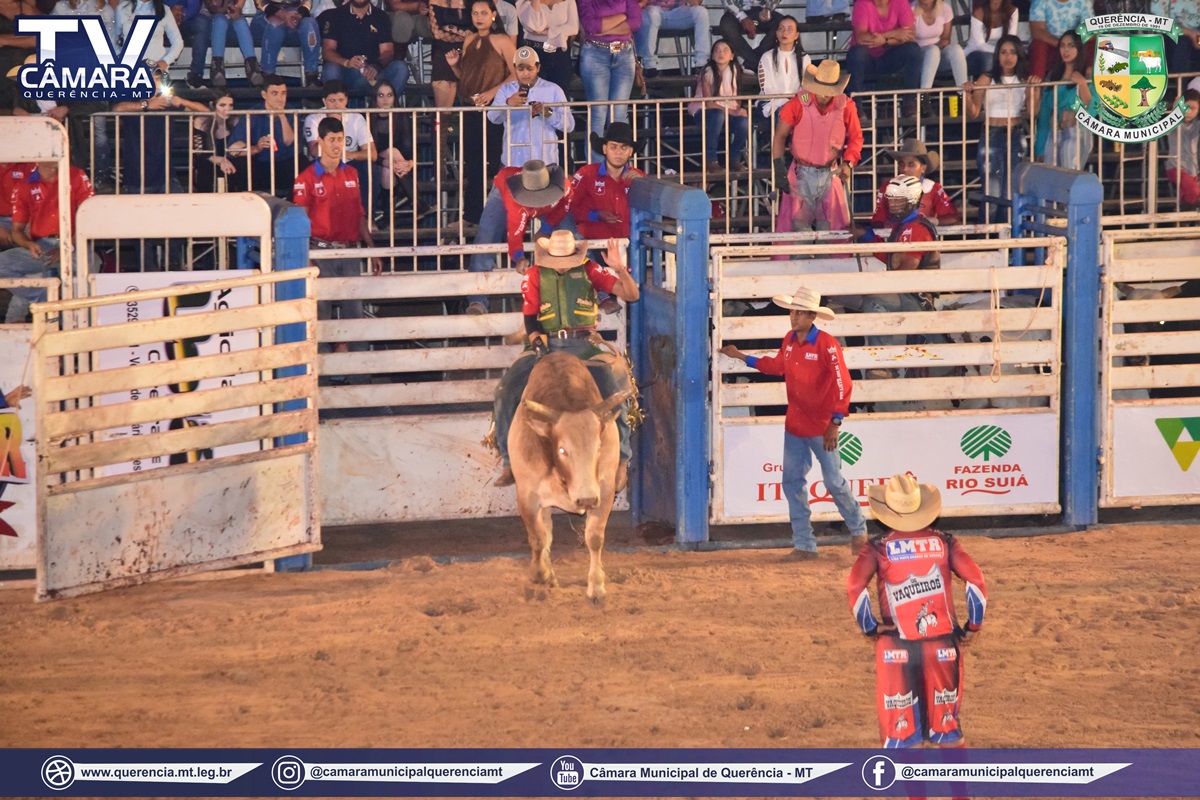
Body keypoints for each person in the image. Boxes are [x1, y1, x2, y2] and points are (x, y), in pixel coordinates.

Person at [720, 286, 869, 559]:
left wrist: (835, 421)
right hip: (798, 425)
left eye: (800, 312)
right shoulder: (790, 340)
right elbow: (777, 366)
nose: (794, 316)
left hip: (821, 426)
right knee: (794, 482)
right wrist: (741, 356)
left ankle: (857, 531)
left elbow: (843, 384)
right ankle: (805, 544)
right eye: (792, 311)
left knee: (832, 482)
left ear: (812, 316)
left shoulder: (827, 345)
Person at [490, 229, 640, 489]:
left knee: (616, 391)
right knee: (505, 391)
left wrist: (619, 269)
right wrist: (536, 340)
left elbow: (632, 295)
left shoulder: (590, 269)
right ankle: (509, 461)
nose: (561, 265)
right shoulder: (535, 274)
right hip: (546, 343)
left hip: (584, 344)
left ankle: (622, 459)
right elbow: (530, 315)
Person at [847, 473, 987, 749]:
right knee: (948, 728)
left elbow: (855, 586)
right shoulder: (945, 542)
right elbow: (976, 581)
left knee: (903, 734)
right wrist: (973, 626)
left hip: (895, 646)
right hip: (942, 645)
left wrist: (871, 627)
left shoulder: (877, 547)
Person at [292, 117, 383, 356]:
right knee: (321, 310)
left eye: (340, 139)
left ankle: (358, 368)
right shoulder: (306, 178)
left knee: (354, 309)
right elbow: (301, 222)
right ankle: (321, 369)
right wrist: (306, 256)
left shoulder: (351, 173)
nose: (336, 145)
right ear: (320, 141)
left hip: (349, 249)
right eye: (331, 139)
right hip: (320, 251)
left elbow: (359, 214)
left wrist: (371, 249)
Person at [853, 175, 943, 379]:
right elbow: (893, 259)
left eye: (898, 200)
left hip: (917, 299)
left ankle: (883, 364)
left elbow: (904, 273)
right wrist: (868, 237)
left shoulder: (916, 229)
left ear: (911, 200)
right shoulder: (905, 226)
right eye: (891, 200)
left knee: (874, 301)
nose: (893, 204)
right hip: (907, 295)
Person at [465, 158, 574, 314]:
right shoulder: (514, 199)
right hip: (504, 191)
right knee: (487, 236)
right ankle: (477, 299)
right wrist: (519, 257)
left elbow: (566, 203)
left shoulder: (564, 186)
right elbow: (515, 231)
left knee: (573, 236)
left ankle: (580, 292)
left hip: (542, 202)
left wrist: (547, 228)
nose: (538, 202)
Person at [445, 0, 516, 224]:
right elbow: (465, 78)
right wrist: (455, 65)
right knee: (473, 163)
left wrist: (493, 92)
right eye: (475, 13)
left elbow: (517, 73)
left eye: (484, 13)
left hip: (494, 108)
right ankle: (472, 214)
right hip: (471, 106)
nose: (479, 17)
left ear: (493, 15)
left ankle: (505, 215)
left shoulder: (503, 40)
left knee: (496, 161)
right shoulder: (469, 40)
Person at [771, 60, 862, 233]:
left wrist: (848, 162)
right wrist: (779, 169)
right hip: (801, 171)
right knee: (798, 227)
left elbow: (856, 137)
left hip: (831, 171)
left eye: (828, 92)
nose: (824, 95)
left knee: (832, 228)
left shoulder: (846, 105)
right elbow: (780, 135)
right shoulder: (798, 102)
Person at [565, 120, 646, 313]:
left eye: (623, 148)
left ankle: (609, 300)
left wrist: (644, 186)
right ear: (604, 149)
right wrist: (595, 215)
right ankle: (603, 295)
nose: (618, 152)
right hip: (594, 246)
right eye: (613, 147)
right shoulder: (587, 174)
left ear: (630, 152)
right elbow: (566, 208)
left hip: (628, 247)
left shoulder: (639, 177)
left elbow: (653, 211)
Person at [0, 161, 94, 324]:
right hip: (43, 246)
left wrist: (68, 247)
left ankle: (74, 324)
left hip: (75, 244)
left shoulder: (76, 175)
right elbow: (17, 230)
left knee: (82, 292)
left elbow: (90, 214)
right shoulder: (25, 183)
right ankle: (45, 301)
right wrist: (29, 245)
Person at [964, 34, 1038, 225]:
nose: (1008, 57)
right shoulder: (987, 78)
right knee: (992, 193)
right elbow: (973, 112)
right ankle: (986, 239)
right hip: (992, 135)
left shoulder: (1023, 79)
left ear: (1019, 55)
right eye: (1004, 52)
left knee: (1009, 195)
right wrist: (967, 95)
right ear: (997, 55)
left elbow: (1033, 111)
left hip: (1016, 135)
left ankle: (1005, 239)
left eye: (1012, 52)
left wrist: (1034, 90)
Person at [488, 46, 574, 168]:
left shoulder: (553, 89)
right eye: (520, 69)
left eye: (530, 68)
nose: (525, 74)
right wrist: (508, 104)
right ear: (514, 68)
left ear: (538, 68)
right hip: (512, 161)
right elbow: (492, 118)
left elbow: (569, 125)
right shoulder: (506, 89)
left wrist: (548, 112)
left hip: (544, 163)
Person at [303, 80, 377, 207]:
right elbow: (314, 152)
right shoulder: (314, 118)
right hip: (323, 162)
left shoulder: (356, 118)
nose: (337, 105)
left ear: (346, 100)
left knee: (370, 171)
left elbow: (372, 154)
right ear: (324, 101)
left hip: (349, 161)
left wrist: (349, 154)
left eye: (341, 100)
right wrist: (330, 127)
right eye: (332, 101)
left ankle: (367, 215)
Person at [577, 0, 641, 140]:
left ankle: (618, 153)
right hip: (595, 53)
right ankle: (595, 155)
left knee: (619, 113)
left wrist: (606, 30)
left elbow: (635, 23)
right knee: (598, 113)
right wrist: (622, 17)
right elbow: (591, 26)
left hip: (624, 54)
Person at [320, 0, 412, 96]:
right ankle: (338, 105)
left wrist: (375, 67)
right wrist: (347, 63)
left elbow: (387, 52)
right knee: (331, 69)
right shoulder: (334, 16)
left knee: (400, 68)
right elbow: (327, 51)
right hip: (345, 70)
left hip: (373, 73)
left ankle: (385, 104)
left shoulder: (381, 16)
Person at [844, 0, 922, 114]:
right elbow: (861, 38)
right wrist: (895, 34)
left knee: (913, 49)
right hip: (867, 59)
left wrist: (885, 40)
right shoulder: (862, 3)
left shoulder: (900, 2)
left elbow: (910, 35)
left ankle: (910, 102)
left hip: (890, 55)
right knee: (856, 53)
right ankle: (856, 106)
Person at [227, 74, 298, 198]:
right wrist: (256, 148)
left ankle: (294, 202)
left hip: (284, 163)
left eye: (283, 93)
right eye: (274, 93)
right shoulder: (253, 114)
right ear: (264, 95)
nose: (280, 98)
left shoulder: (292, 112)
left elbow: (289, 141)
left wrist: (282, 115)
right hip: (260, 165)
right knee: (240, 163)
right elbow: (232, 151)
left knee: (301, 161)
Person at [1034, 30, 1094, 173]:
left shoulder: (1087, 75)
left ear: (1079, 48)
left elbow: (1092, 108)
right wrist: (1039, 148)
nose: (1066, 50)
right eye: (1063, 45)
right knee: (1051, 178)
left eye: (1071, 46)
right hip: (1054, 131)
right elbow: (1044, 115)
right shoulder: (1053, 76)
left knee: (1069, 176)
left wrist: (1082, 84)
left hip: (1075, 131)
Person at [689, 39, 750, 172]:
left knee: (743, 122)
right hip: (704, 111)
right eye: (717, 50)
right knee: (717, 115)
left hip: (727, 111)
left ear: (732, 56)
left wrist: (738, 110)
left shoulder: (735, 72)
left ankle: (734, 158)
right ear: (712, 56)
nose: (721, 53)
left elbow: (737, 98)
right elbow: (709, 103)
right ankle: (711, 160)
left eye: (725, 50)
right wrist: (732, 112)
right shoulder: (707, 73)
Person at [870, 139, 959, 226]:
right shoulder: (888, 186)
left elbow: (953, 217)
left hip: (922, 235)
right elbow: (877, 220)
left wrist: (932, 221)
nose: (905, 169)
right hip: (895, 235)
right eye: (901, 164)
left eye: (911, 164)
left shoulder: (932, 188)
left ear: (923, 168)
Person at [176, 0, 261, 88]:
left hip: (229, 21)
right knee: (220, 20)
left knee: (241, 22)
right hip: (210, 23)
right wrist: (227, 9)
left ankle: (252, 67)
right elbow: (212, 8)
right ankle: (217, 68)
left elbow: (238, 7)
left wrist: (236, 10)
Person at [250, 0, 322, 88]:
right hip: (265, 13)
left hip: (295, 11)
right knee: (275, 24)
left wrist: (300, 14)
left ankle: (312, 75)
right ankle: (267, 75)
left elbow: (307, 1)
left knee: (310, 24)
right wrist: (282, 14)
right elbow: (259, 3)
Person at [634, 0, 711, 77]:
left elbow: (696, 3)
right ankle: (648, 65)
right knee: (651, 13)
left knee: (701, 12)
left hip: (678, 12)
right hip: (653, 10)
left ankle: (702, 64)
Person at [516, 0, 578, 94]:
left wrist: (548, 32)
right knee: (535, 94)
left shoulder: (569, 1)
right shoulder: (524, 2)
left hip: (559, 54)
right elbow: (536, 26)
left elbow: (573, 28)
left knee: (559, 94)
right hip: (534, 54)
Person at [756, 15, 810, 122]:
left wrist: (805, 103)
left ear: (796, 35)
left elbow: (806, 89)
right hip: (770, 103)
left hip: (797, 103)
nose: (785, 32)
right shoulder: (767, 57)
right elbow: (767, 89)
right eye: (781, 29)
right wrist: (785, 102)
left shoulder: (805, 58)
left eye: (790, 29)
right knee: (784, 112)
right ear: (777, 33)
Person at [1026, 0, 1091, 79]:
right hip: (1050, 44)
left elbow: (1089, 29)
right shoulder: (1040, 1)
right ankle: (1036, 82)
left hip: (1075, 43)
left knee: (1093, 41)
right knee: (1038, 45)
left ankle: (1093, 77)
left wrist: (1073, 44)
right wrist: (1061, 44)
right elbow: (1037, 31)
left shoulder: (1084, 1)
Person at [192, 89, 240, 194]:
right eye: (222, 105)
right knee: (205, 167)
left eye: (230, 105)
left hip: (230, 166)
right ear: (213, 105)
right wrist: (218, 159)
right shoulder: (201, 121)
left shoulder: (235, 122)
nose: (227, 109)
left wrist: (242, 144)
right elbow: (199, 153)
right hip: (207, 166)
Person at [118, 0, 184, 73]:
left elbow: (178, 41)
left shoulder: (164, 10)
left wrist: (165, 61)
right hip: (130, 69)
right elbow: (114, 39)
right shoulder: (122, 9)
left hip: (156, 70)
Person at [717, 0, 782, 72]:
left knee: (783, 23)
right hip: (737, 11)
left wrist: (768, 8)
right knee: (726, 26)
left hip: (762, 10)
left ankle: (752, 61)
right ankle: (755, 61)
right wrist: (742, 17)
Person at [913, 0, 966, 90]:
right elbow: (909, 40)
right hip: (918, 55)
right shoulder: (911, 10)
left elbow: (945, 38)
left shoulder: (945, 8)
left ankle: (963, 91)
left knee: (956, 49)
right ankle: (924, 93)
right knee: (932, 51)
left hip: (938, 51)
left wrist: (938, 49)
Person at [428, 0, 470, 109]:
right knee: (443, 110)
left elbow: (482, 30)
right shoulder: (436, 1)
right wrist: (466, 34)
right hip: (444, 51)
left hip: (471, 51)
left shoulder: (476, 2)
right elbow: (437, 33)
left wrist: (454, 30)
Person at [962, 0, 1017, 79]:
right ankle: (987, 85)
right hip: (975, 52)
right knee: (989, 59)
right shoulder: (978, 12)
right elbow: (980, 45)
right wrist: (1000, 51)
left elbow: (1011, 39)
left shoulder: (1012, 10)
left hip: (1000, 52)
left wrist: (1003, 52)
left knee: (1018, 55)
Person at [1165, 89, 1200, 210]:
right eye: (1186, 107)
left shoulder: (1197, 124)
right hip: (1176, 167)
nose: (1189, 112)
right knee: (1194, 192)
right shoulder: (1174, 122)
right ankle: (1186, 216)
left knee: (1188, 196)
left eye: (1193, 108)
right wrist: (1175, 112)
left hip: (1192, 169)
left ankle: (1182, 217)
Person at [1154, 0, 1200, 72]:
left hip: (1196, 34)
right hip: (1171, 35)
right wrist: (1191, 33)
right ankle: (1181, 79)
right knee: (1182, 42)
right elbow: (1158, 23)